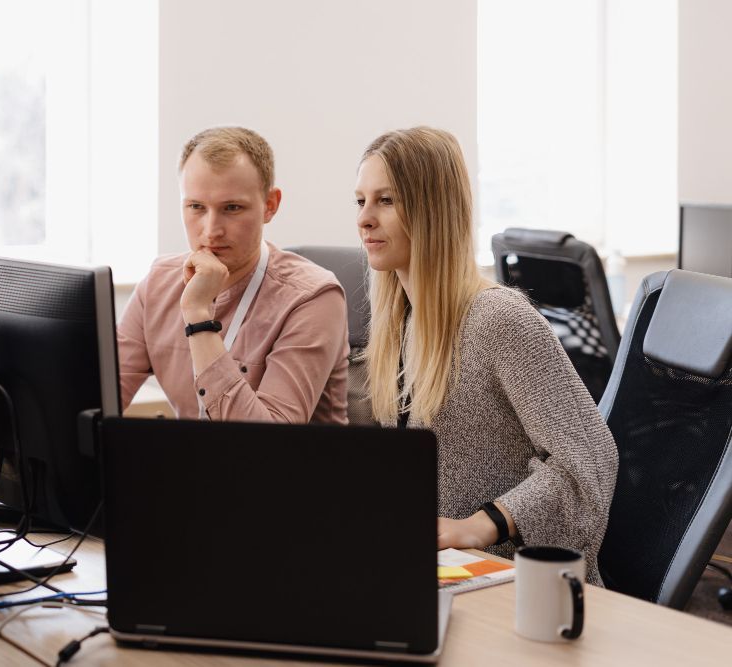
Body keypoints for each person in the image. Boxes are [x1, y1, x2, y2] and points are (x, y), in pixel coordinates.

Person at [354, 127, 618, 583]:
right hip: (440, 575)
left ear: (432, 210)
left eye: (387, 200)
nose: (365, 219)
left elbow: (591, 460)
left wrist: (479, 526)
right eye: (360, 201)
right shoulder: (400, 321)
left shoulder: (499, 319)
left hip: (516, 583)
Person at [117, 126, 349, 423]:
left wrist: (199, 316)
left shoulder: (315, 298)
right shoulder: (158, 284)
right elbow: (95, 398)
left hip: (284, 469)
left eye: (232, 208)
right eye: (196, 207)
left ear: (270, 205)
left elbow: (265, 449)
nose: (211, 230)